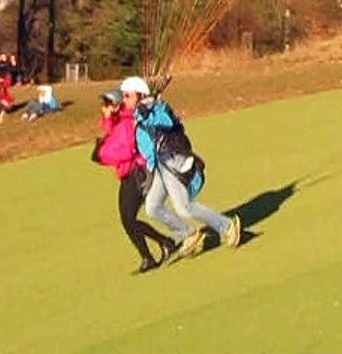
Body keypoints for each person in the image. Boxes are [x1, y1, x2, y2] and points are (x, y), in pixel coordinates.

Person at [122, 76, 241, 255]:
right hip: (160, 166)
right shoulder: (139, 113)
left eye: (127, 96)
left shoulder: (155, 107)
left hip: (171, 159)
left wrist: (150, 112)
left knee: (183, 207)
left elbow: (169, 121)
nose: (124, 100)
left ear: (138, 95)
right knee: (153, 207)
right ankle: (189, 234)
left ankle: (228, 226)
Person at [92, 88, 177, 274]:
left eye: (106, 104)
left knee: (128, 219)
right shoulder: (119, 121)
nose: (103, 108)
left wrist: (103, 155)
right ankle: (157, 249)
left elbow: (126, 150)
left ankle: (161, 246)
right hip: (129, 174)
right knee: (128, 219)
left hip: (135, 174)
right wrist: (107, 120)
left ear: (115, 106)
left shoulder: (126, 122)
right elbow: (112, 134)